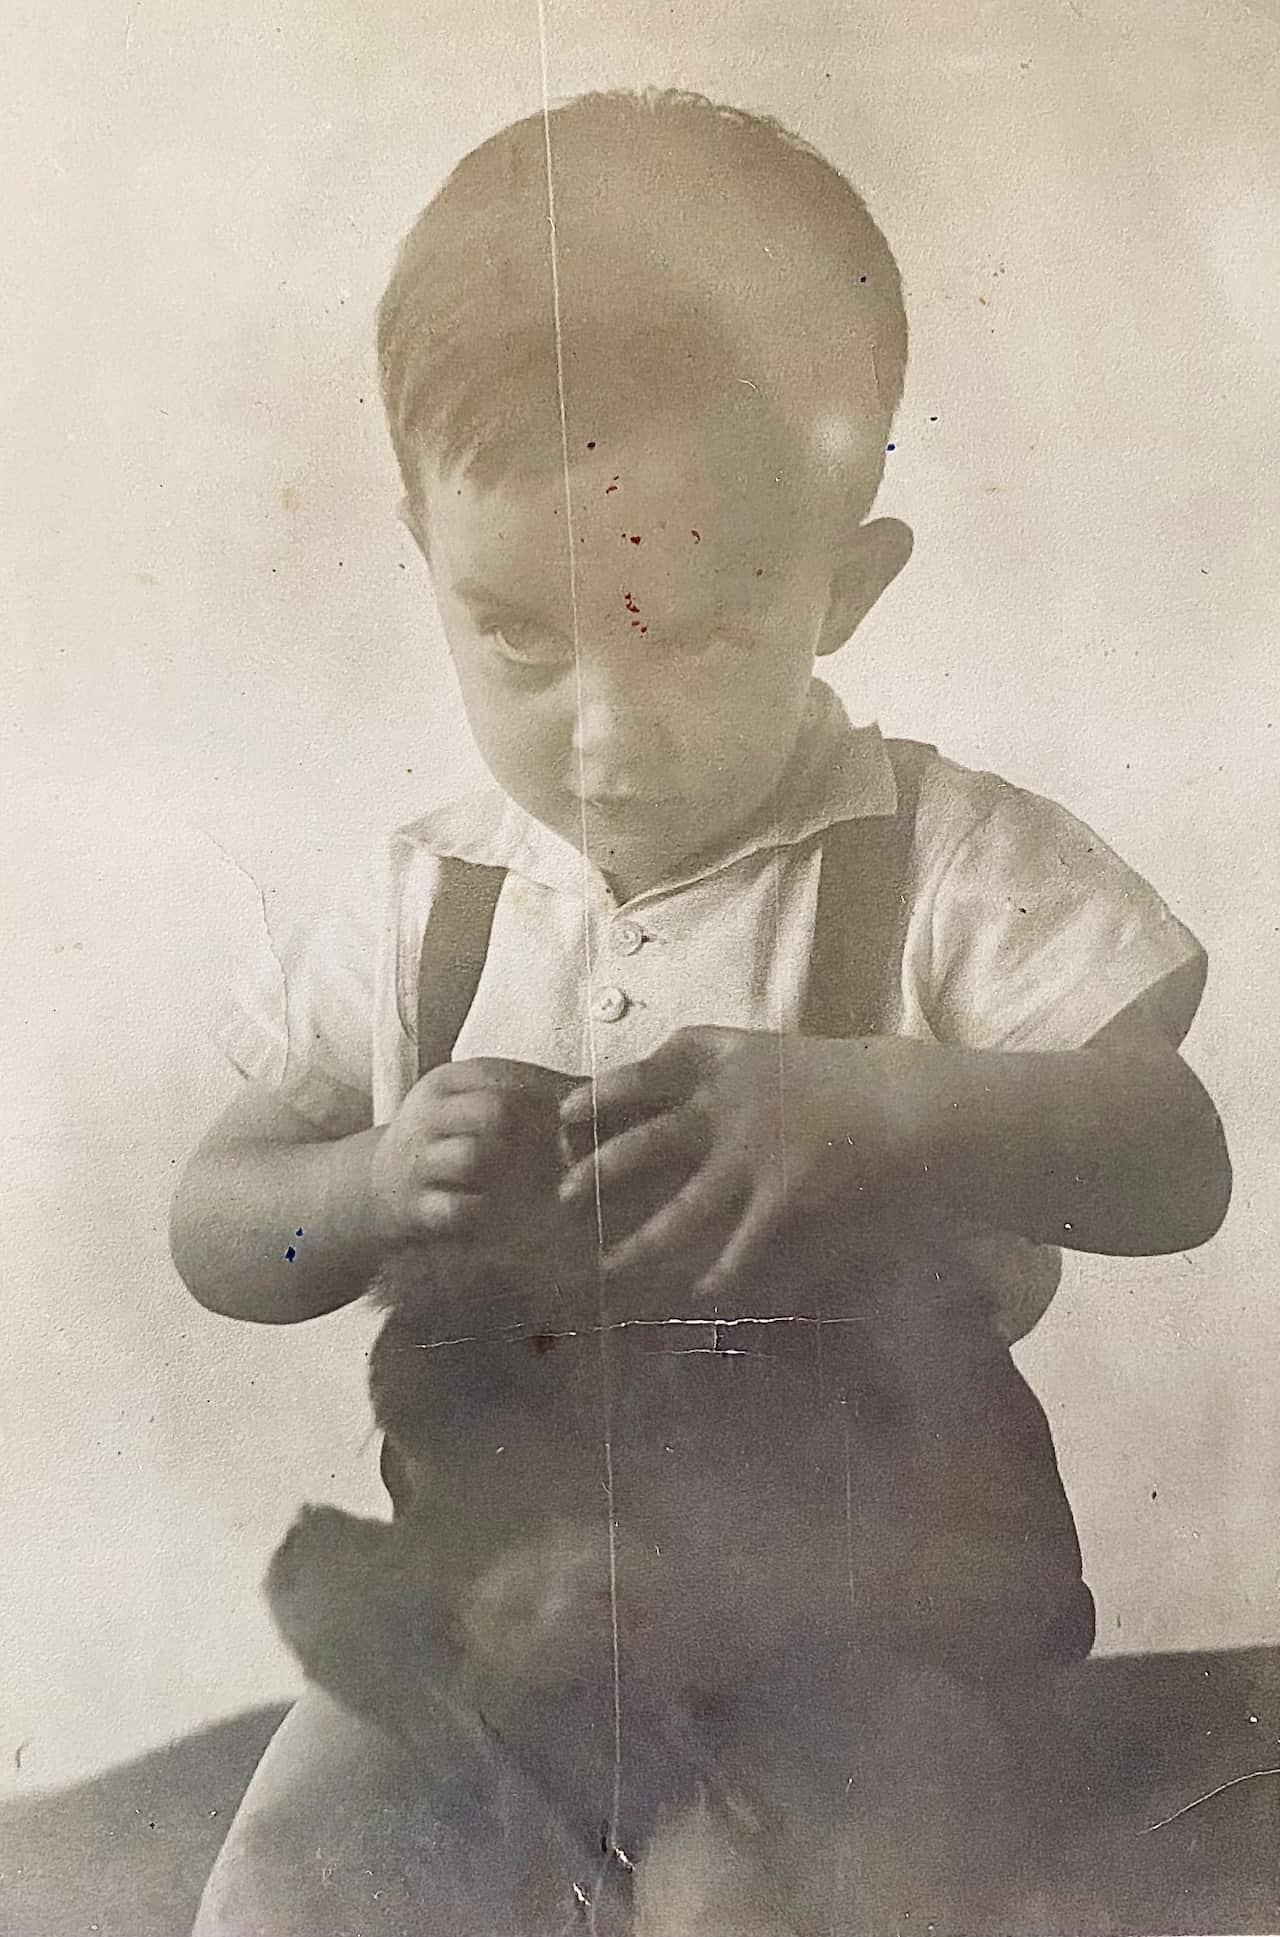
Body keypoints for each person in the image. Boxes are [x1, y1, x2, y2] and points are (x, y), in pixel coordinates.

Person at [172, 87, 1231, 1937]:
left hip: (852, 1619)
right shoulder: (430, 904)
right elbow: (220, 1226)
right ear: (420, 545)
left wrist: (892, 1104)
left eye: (690, 630)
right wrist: (365, 1182)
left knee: (778, 1888)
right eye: (518, 633)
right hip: (494, 1619)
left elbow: (1174, 1159)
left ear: (845, 583)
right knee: (295, 1875)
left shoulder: (945, 866)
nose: (599, 729)